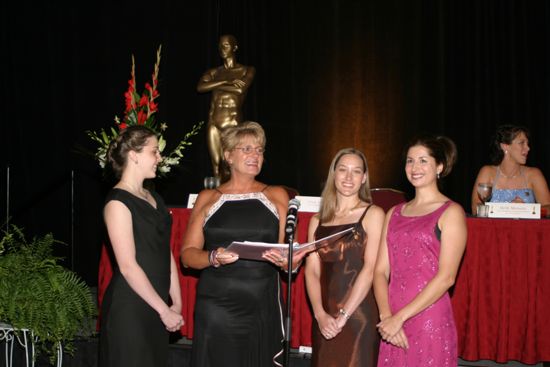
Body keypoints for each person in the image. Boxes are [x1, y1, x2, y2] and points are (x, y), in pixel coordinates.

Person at [180, 121, 303, 367]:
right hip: (216, 306)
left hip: (262, 304)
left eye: (259, 150)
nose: (255, 155)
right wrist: (213, 256)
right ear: (228, 155)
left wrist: (291, 262)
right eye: (246, 149)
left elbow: (289, 254)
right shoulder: (208, 197)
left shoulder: (277, 194)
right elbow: (188, 255)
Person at [373, 135, 467, 366]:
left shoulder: (451, 212)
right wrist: (387, 318)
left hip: (428, 318)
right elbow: (379, 272)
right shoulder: (393, 213)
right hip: (391, 319)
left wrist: (400, 318)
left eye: (423, 161)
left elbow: (447, 277)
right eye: (410, 160)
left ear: (440, 167)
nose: (415, 167)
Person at [99, 126, 184, 367]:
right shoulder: (117, 202)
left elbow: (165, 251)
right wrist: (164, 310)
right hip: (131, 308)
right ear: (134, 155)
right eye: (154, 152)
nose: (160, 158)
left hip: (156, 305)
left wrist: (175, 302)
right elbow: (127, 266)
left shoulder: (154, 198)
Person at [304, 148, 384, 367]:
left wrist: (343, 316)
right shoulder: (317, 220)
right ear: (334, 174)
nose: (348, 177)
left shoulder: (374, 214)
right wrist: (320, 314)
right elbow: (311, 271)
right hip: (324, 316)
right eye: (343, 170)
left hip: (359, 316)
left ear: (364, 178)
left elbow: (370, 269)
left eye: (356, 171)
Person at [197, 34, 256, 180]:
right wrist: (225, 82)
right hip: (213, 123)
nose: (222, 49)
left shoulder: (246, 70)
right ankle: (217, 199)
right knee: (216, 165)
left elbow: (240, 90)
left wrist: (217, 84)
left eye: (226, 45)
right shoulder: (215, 72)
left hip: (232, 122)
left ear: (234, 47)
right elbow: (200, 87)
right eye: (220, 46)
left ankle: (231, 197)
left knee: (229, 165)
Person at [471, 124, 550, 214]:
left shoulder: (534, 174)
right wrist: (510, 209)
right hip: (494, 228)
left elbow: (548, 208)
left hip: (526, 228)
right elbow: (475, 208)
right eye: (522, 143)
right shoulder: (487, 172)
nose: (528, 148)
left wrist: (526, 209)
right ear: (505, 146)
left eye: (527, 143)